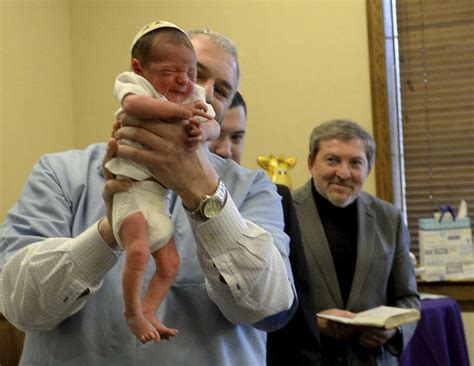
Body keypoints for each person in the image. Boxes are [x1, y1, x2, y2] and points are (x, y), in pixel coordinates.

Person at [0, 26, 296, 365]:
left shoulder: (255, 188)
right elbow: (18, 305)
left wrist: (202, 190)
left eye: (223, 89)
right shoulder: (60, 174)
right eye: (195, 72)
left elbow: (268, 305)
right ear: (143, 72)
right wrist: (109, 232)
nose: (203, 89)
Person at [105, 21, 219, 343]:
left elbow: (214, 126)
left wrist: (203, 132)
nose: (184, 80)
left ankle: (150, 308)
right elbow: (132, 107)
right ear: (139, 68)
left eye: (191, 72)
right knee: (138, 253)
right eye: (171, 70)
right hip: (129, 191)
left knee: (169, 265)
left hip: (157, 199)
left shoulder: (192, 94)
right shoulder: (135, 86)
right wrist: (181, 112)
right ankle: (131, 312)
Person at [292, 119, 420, 366]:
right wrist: (312, 322)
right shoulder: (283, 211)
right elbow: (269, 300)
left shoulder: (389, 219)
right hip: (306, 358)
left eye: (355, 163)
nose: (343, 173)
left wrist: (395, 331)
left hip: (371, 359)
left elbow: (408, 298)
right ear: (311, 163)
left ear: (368, 169)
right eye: (332, 160)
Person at [210, 92, 321, 365]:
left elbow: (299, 310)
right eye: (217, 135)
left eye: (237, 138)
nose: (226, 149)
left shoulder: (270, 196)